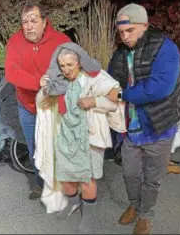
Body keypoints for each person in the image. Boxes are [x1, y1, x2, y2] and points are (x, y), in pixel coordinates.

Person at [108, 3, 180, 234]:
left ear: (144, 25)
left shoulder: (166, 47)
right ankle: (134, 204)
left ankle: (145, 214)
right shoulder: (120, 53)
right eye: (121, 32)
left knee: (152, 177)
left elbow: (160, 87)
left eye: (129, 30)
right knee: (130, 172)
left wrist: (122, 94)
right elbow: (111, 79)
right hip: (131, 127)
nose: (125, 36)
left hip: (160, 125)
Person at [35, 42, 124, 233]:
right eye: (62, 65)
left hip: (89, 136)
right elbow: (42, 104)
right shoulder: (57, 81)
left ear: (80, 63)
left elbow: (115, 100)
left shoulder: (95, 77)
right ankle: (73, 203)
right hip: (65, 136)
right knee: (66, 179)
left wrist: (94, 101)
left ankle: (89, 215)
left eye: (70, 65)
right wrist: (43, 89)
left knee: (88, 180)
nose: (66, 70)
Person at [5, 2, 71, 200]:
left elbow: (73, 70)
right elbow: (11, 72)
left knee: (56, 148)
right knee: (35, 148)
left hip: (52, 106)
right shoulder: (15, 42)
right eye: (25, 22)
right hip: (27, 105)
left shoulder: (61, 41)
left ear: (44, 21)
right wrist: (37, 82)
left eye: (33, 20)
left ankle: (60, 186)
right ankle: (41, 184)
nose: (29, 26)